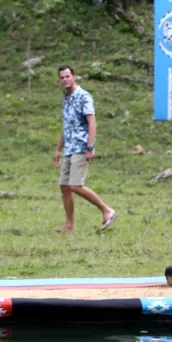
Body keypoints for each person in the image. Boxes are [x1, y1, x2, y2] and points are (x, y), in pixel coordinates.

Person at [54, 65, 116, 233]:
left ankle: (106, 209)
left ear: (74, 77)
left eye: (67, 76)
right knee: (64, 186)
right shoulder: (66, 100)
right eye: (62, 77)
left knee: (75, 185)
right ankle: (69, 225)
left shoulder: (84, 97)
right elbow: (66, 126)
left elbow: (92, 122)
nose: (65, 79)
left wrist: (90, 147)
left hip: (81, 146)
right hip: (69, 147)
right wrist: (58, 149)